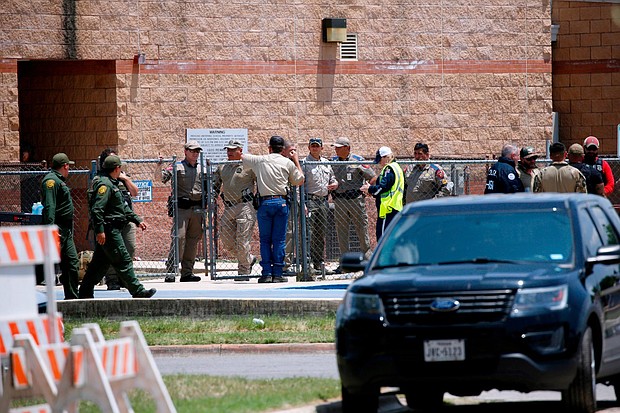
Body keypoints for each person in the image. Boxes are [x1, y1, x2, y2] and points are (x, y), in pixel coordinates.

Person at [78, 155, 156, 299]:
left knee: (98, 265)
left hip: (112, 228)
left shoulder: (111, 183)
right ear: (117, 168)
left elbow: (121, 208)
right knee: (123, 259)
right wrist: (100, 231)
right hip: (109, 230)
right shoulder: (105, 185)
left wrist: (137, 220)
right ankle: (138, 291)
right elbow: (97, 210)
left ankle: (84, 292)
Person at [242, 135, 304, 283]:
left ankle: (266, 273)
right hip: (281, 202)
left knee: (265, 240)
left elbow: (242, 156)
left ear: (269, 148)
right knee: (279, 240)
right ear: (283, 149)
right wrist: (295, 160)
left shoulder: (260, 160)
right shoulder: (286, 163)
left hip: (265, 203)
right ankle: (277, 273)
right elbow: (300, 180)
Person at [90, 148, 139, 291]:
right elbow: (97, 206)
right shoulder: (102, 181)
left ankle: (125, 278)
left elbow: (135, 192)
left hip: (126, 218)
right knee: (111, 251)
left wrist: (125, 179)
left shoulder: (122, 177)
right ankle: (112, 279)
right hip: (110, 221)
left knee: (129, 248)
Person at [160, 140, 205, 282]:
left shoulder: (202, 168)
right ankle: (171, 271)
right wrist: (161, 166)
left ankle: (187, 272)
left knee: (193, 240)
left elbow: (209, 186)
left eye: (197, 151)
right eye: (192, 151)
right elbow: (162, 178)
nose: (195, 153)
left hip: (197, 208)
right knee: (178, 238)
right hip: (182, 209)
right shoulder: (177, 166)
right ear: (185, 151)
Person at [213, 139, 257, 280]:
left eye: (233, 150)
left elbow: (260, 182)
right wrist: (211, 198)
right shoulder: (222, 166)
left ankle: (243, 271)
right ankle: (248, 259)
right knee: (226, 241)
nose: (230, 152)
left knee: (242, 240)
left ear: (240, 151)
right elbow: (215, 184)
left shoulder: (249, 165)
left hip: (245, 206)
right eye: (228, 150)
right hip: (229, 206)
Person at [330, 137, 376, 264]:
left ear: (347, 148)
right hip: (339, 200)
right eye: (335, 147)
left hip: (355, 200)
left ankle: (367, 260)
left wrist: (369, 189)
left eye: (339, 147)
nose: (336, 150)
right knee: (341, 231)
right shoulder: (333, 161)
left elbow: (373, 177)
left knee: (362, 229)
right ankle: (345, 262)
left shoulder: (358, 161)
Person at [41, 153, 79, 300]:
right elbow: (50, 207)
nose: (69, 169)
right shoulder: (51, 181)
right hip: (57, 228)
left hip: (65, 230)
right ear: (65, 166)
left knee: (71, 262)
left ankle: (72, 297)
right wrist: (51, 229)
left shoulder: (58, 180)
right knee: (44, 265)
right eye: (69, 166)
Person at [302, 137, 338, 276]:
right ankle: (307, 263)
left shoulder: (326, 163)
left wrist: (335, 184)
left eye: (317, 146)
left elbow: (332, 178)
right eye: (313, 146)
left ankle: (319, 263)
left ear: (322, 148)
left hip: (323, 201)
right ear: (309, 148)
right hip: (310, 201)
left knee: (320, 233)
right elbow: (300, 185)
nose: (315, 148)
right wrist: (303, 204)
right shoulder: (305, 163)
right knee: (308, 233)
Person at [368, 147, 404, 241]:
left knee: (383, 239)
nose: (379, 163)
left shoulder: (389, 169)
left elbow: (383, 187)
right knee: (392, 239)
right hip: (395, 207)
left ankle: (384, 256)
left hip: (388, 209)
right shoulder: (397, 167)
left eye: (380, 160)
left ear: (385, 157)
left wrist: (369, 189)